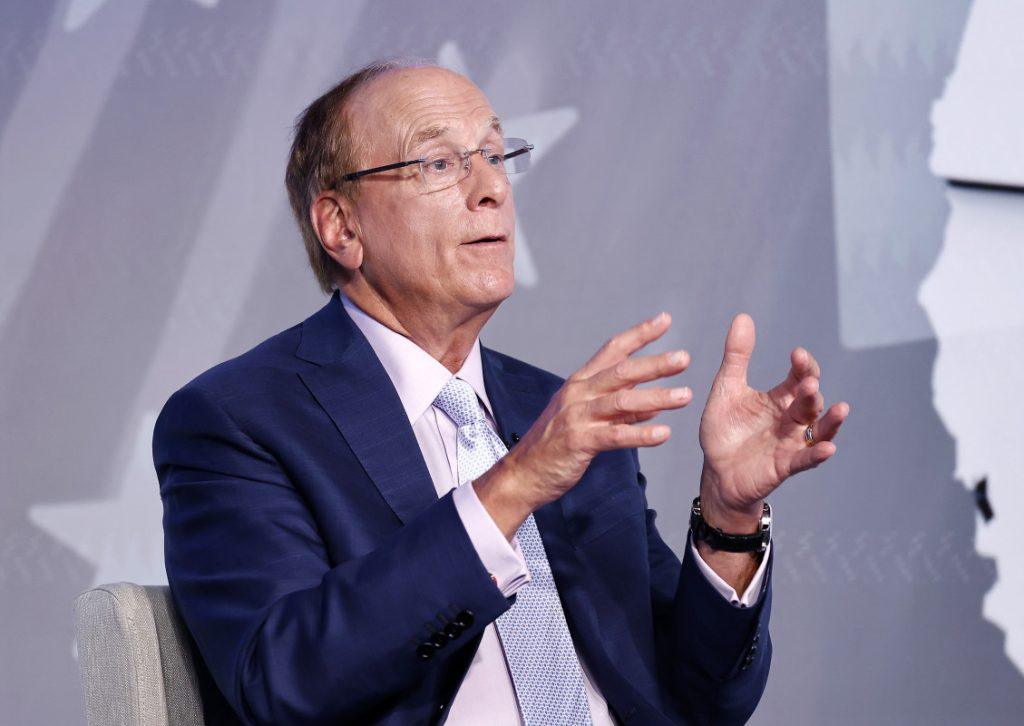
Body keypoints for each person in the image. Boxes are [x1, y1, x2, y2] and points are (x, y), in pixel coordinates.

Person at [153, 59, 849, 725]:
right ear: (342, 226)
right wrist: (514, 484)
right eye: (438, 163)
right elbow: (283, 682)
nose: (491, 188)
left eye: (493, 154)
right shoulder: (237, 420)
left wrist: (728, 517)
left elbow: (703, 702)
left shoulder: (562, 414)